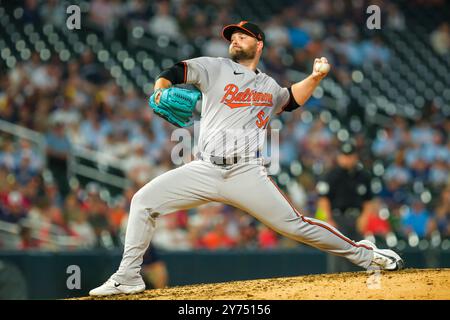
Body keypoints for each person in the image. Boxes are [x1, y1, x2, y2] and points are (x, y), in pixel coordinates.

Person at [90, 21, 404, 296]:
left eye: (242, 36)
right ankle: (128, 276)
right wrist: (160, 90)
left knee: (296, 226)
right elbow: (174, 72)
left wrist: (316, 78)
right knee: (142, 201)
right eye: (232, 37)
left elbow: (290, 100)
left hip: (245, 172)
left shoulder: (268, 85)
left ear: (258, 43)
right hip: (205, 168)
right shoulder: (214, 66)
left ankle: (365, 255)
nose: (235, 40)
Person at [316, 143, 377, 272]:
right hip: (338, 218)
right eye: (345, 156)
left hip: (357, 218)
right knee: (337, 256)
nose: (347, 159)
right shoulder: (331, 175)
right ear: (339, 157)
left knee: (360, 254)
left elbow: (368, 201)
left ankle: (359, 288)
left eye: (350, 156)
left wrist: (365, 218)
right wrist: (328, 220)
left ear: (356, 157)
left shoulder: (363, 176)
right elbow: (323, 200)